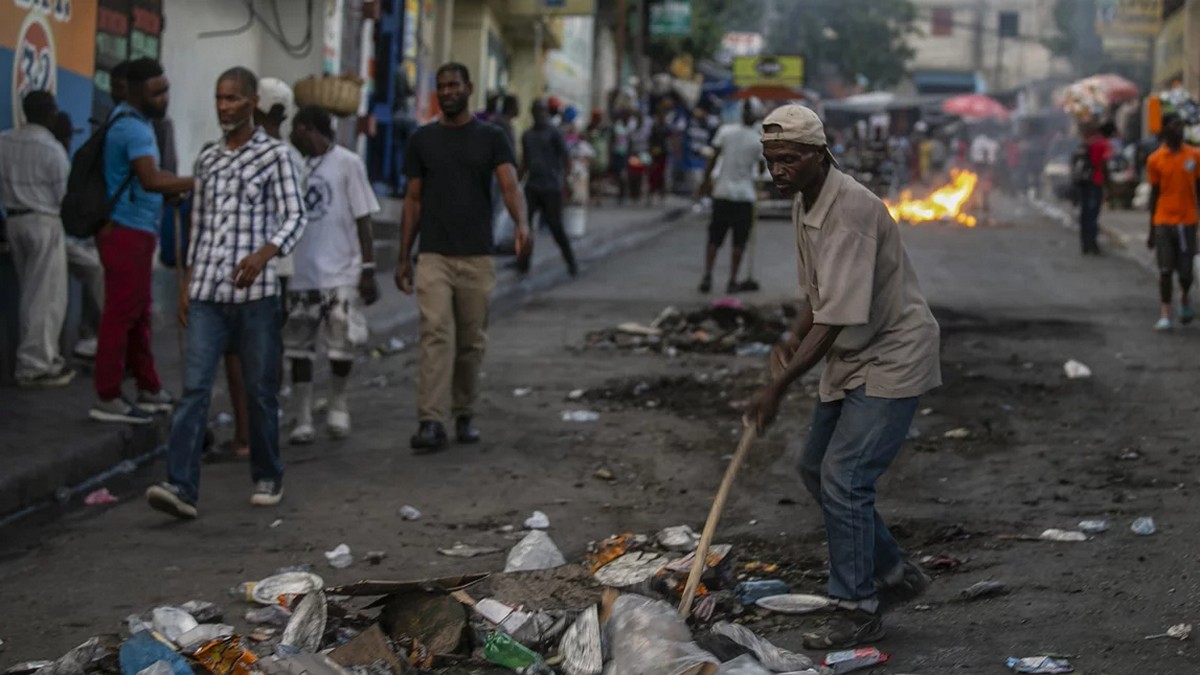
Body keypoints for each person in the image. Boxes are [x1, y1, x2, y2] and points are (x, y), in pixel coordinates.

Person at [744, 105, 941, 649]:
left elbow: (835, 317)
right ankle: (894, 573)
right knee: (815, 467)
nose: (776, 170)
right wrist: (788, 341)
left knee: (846, 477)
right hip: (855, 354)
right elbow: (817, 296)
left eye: (788, 159)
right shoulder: (805, 200)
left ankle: (857, 606)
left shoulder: (850, 210)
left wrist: (778, 388)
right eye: (770, 160)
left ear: (818, 154)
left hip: (893, 353)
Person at [145, 67, 306, 520]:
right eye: (219, 98)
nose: (224, 107)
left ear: (252, 102)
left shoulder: (275, 156)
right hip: (206, 295)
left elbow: (295, 217)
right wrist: (188, 284)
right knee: (195, 389)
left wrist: (264, 254)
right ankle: (181, 486)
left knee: (258, 390)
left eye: (233, 98)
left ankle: (269, 473)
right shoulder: (208, 160)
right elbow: (200, 227)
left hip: (255, 299)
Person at [395, 62, 529, 452]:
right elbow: (413, 200)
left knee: (471, 341)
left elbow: (508, 185)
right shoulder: (422, 140)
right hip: (433, 254)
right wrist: (404, 256)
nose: (448, 91)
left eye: (454, 85)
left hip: (476, 256)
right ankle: (431, 421)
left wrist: (522, 225)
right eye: (442, 87)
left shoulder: (491, 137)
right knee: (435, 334)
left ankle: (464, 412)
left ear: (469, 88)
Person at [89, 58, 193, 422]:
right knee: (121, 315)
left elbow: (148, 178)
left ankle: (148, 388)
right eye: (156, 92)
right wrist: (200, 181)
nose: (164, 98)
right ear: (134, 91)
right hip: (126, 232)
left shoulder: (139, 124)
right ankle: (108, 394)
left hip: (137, 231)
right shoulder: (132, 128)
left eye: (165, 90)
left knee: (137, 314)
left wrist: (172, 190)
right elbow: (150, 178)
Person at [285, 104, 380, 442]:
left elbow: (363, 217)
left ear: (308, 129)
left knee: (341, 344)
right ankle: (303, 416)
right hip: (301, 271)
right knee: (299, 347)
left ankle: (338, 403)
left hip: (341, 270)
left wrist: (367, 268)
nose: (290, 136)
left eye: (295, 130)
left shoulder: (347, 163)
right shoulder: (293, 164)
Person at [0, 90, 74, 387]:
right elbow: (64, 197)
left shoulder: (4, 141)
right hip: (44, 222)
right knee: (46, 297)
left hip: (14, 221)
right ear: (50, 113)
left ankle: (43, 356)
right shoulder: (52, 149)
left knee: (30, 293)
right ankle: (34, 365)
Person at [50, 110, 105, 360]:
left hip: (49, 229)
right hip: (50, 229)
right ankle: (93, 336)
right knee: (48, 298)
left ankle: (91, 335)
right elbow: (65, 204)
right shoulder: (54, 154)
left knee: (94, 265)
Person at [698, 98, 764, 294]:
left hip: (722, 192)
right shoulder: (758, 139)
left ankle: (707, 275)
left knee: (714, 238)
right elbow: (761, 168)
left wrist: (705, 181)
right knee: (739, 241)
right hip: (745, 196)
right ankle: (733, 279)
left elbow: (713, 158)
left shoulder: (725, 132)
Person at [1146, 113, 1200, 331]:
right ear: (1166, 129)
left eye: (1181, 126)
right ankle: (1165, 313)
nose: (1179, 130)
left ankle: (1184, 297)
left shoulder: (1194, 156)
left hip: (1187, 221)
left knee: (1186, 272)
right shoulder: (1155, 160)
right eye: (1175, 125)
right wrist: (1151, 230)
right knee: (1166, 270)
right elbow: (1154, 194)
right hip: (1163, 221)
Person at [521, 98, 577, 276]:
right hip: (533, 186)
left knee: (555, 226)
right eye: (537, 111)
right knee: (525, 226)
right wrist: (516, 181)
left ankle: (571, 261)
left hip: (551, 186)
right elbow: (524, 161)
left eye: (543, 111)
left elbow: (566, 157)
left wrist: (566, 179)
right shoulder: (528, 135)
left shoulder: (554, 133)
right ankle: (523, 263)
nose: (540, 114)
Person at [1080, 121, 1114, 255]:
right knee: (1093, 214)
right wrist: (1108, 184)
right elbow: (1104, 164)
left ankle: (1085, 243)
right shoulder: (1103, 144)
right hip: (1096, 181)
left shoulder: (1088, 142)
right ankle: (1093, 243)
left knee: (1085, 213)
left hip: (1084, 181)